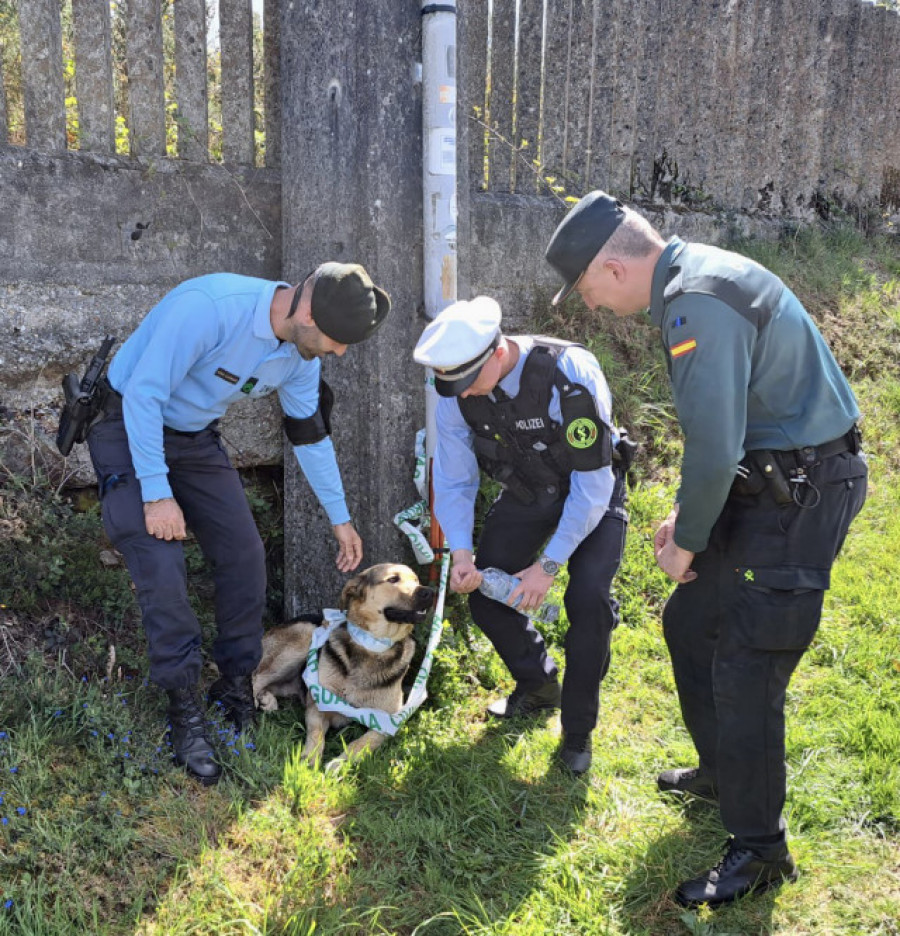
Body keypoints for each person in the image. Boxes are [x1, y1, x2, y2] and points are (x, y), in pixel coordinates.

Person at [545, 191, 867, 905]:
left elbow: (718, 444)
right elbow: (719, 433)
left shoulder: (697, 301)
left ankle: (760, 851)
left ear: (613, 266)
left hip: (801, 494)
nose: (589, 307)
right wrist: (691, 511)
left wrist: (688, 541)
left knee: (749, 665)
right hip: (769, 482)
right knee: (691, 624)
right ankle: (724, 771)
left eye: (587, 289)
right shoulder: (690, 285)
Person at [85, 263, 390, 785]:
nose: (338, 352)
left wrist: (340, 518)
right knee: (162, 564)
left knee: (245, 556)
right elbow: (143, 394)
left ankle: (233, 686)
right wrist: (157, 494)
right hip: (128, 423)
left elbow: (309, 433)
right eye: (336, 340)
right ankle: (185, 712)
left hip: (193, 437)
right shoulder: (209, 309)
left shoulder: (299, 351)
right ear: (307, 310)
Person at [413, 296, 629, 775]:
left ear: (497, 353)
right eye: (455, 388)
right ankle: (538, 684)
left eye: (471, 384)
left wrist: (548, 566)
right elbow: (453, 477)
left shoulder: (568, 372)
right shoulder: (456, 390)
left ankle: (577, 732)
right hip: (529, 493)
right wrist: (462, 554)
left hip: (591, 492)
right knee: (488, 594)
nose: (465, 396)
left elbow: (593, 487)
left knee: (588, 601)